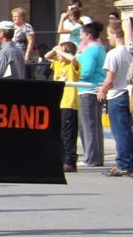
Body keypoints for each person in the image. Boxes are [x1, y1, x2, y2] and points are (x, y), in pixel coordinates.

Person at [96, 22, 132, 176]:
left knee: (120, 133)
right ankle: (129, 163)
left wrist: (103, 90)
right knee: (128, 132)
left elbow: (110, 79)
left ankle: (123, 165)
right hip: (128, 94)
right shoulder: (130, 52)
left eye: (109, 34)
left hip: (116, 95)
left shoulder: (113, 54)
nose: (108, 38)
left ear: (116, 34)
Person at [45, 43, 81, 172]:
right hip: (58, 102)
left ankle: (70, 161)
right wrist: (55, 49)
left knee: (68, 134)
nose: (58, 55)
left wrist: (62, 52)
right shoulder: (58, 63)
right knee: (59, 133)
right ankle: (62, 159)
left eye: (61, 53)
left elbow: (73, 59)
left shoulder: (72, 66)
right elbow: (47, 56)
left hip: (69, 103)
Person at [75, 21, 107, 167]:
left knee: (88, 126)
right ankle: (97, 157)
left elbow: (86, 72)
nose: (80, 37)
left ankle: (91, 158)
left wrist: (73, 76)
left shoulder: (89, 51)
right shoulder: (100, 49)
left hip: (87, 90)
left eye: (81, 34)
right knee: (95, 126)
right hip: (96, 89)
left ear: (88, 35)